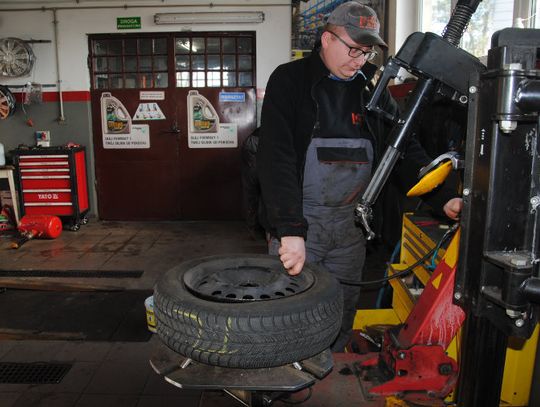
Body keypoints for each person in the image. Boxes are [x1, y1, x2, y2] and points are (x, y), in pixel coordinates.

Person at [256, 1, 462, 352]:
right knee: (291, 312)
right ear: (326, 39)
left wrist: (444, 198)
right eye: (353, 49)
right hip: (302, 223)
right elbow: (276, 158)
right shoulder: (289, 82)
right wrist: (289, 230)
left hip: (351, 228)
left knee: (340, 311)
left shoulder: (371, 90)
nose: (359, 60)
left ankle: (331, 376)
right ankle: (287, 383)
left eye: (366, 52)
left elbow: (403, 151)